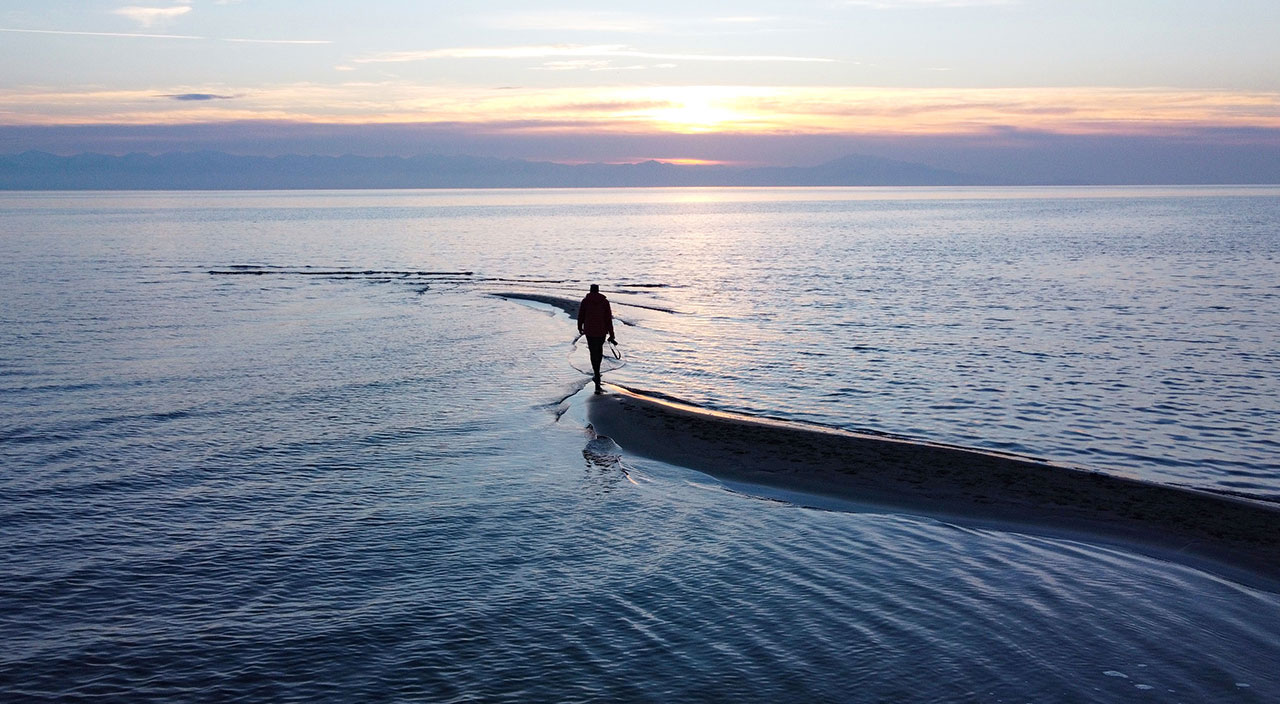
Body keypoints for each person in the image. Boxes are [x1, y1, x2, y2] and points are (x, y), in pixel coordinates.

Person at [576, 284, 616, 386]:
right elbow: (608, 319)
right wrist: (612, 334)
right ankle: (597, 371)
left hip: (589, 330)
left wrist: (580, 327)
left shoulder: (585, 301)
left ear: (590, 290)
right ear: (598, 291)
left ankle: (596, 372)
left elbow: (581, 315)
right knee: (599, 350)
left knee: (592, 351)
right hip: (601, 331)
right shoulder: (604, 302)